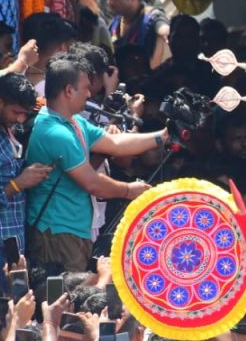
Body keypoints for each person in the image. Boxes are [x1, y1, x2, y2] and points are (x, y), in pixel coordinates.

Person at [24, 56, 164, 271]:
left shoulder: (74, 120)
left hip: (74, 228)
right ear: (69, 90)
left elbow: (115, 143)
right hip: (57, 231)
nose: (90, 94)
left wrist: (162, 136)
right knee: (65, 298)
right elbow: (91, 182)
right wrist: (128, 190)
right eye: (85, 88)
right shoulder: (55, 132)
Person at [0, 74, 50, 268]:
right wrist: (18, 184)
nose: (20, 119)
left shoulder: (7, 130)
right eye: (16, 112)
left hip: (12, 242)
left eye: (24, 114)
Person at [106, 0, 171, 72]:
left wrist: (167, 33)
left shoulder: (152, 18)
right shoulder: (116, 22)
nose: (110, 2)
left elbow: (163, 28)